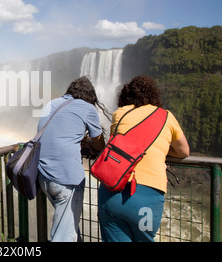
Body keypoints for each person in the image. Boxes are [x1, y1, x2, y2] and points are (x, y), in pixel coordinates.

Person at [98, 75, 190, 242]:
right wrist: (160, 154)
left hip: (113, 195)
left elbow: (119, 147)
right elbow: (184, 151)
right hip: (148, 200)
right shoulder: (167, 117)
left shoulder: (120, 114)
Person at [37, 76, 108, 242]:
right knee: (64, 235)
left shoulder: (51, 104)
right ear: (90, 96)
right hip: (66, 178)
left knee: (68, 227)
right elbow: (99, 143)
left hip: (43, 176)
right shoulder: (87, 108)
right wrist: (87, 141)